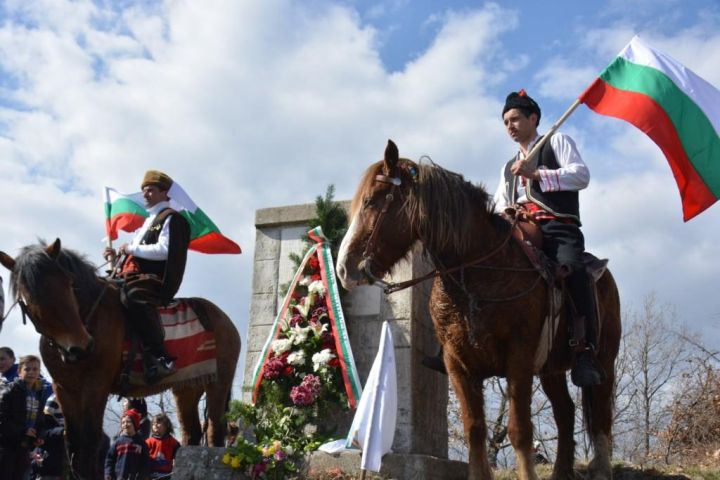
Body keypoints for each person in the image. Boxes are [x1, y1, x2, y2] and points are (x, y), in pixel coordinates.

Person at [493, 90, 602, 387]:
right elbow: (499, 202)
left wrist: (539, 174)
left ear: (533, 118)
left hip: (557, 228)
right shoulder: (507, 167)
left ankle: (584, 352)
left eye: (515, 118)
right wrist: (507, 212)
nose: (510, 126)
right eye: (505, 122)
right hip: (519, 230)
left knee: (574, 271)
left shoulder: (557, 141)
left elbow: (581, 176)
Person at [104, 170, 191, 384]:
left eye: (151, 190)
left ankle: (160, 357)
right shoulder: (149, 221)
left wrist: (131, 247)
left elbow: (164, 250)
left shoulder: (172, 218)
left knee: (132, 296)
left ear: (165, 193)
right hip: (135, 275)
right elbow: (137, 255)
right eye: (144, 191)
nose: (145, 195)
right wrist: (117, 258)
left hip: (155, 280)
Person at [0, 354, 51, 480]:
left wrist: (39, 435)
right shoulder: (9, 391)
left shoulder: (39, 393)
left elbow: (40, 419)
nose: (31, 372)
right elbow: (1, 419)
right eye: (27, 369)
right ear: (19, 371)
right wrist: (23, 430)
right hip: (6, 446)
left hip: (25, 445)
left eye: (35, 369)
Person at [105, 410, 150, 480]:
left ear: (135, 424)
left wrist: (142, 476)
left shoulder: (141, 443)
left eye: (128, 422)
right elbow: (110, 459)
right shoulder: (118, 442)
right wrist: (108, 473)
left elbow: (145, 462)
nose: (125, 424)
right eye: (123, 422)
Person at [31, 393, 66, 480]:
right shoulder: (55, 399)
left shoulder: (84, 400)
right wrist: (63, 432)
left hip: (69, 461)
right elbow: (43, 430)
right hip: (50, 458)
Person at [145, 413, 180, 479]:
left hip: (166, 475)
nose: (155, 425)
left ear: (166, 426)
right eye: (153, 423)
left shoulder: (173, 442)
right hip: (151, 475)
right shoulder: (148, 442)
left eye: (158, 422)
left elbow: (178, 457)